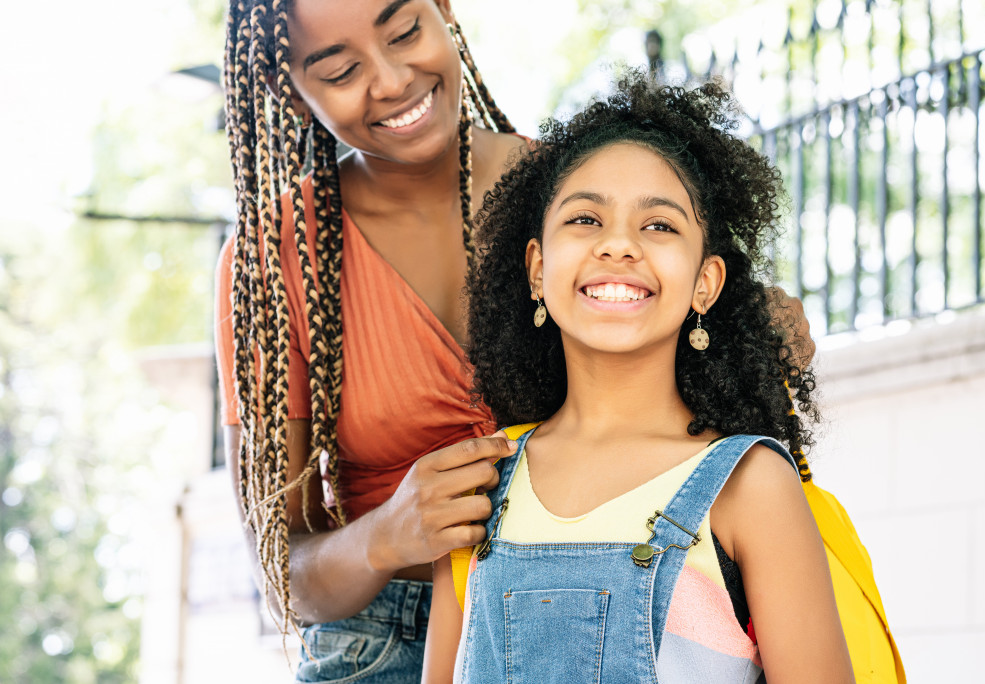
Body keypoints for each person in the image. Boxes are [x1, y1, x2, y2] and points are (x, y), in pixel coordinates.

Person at [215, 1, 815, 681]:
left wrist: (753, 333)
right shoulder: (271, 264)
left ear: (445, 14)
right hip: (374, 647)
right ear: (290, 92)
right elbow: (282, 576)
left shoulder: (580, 199)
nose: (389, 79)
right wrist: (386, 536)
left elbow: (696, 358)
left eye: (405, 31)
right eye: (341, 69)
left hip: (605, 603)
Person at [424, 74, 855, 683]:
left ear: (705, 283)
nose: (620, 244)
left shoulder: (752, 488)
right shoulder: (478, 487)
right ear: (538, 270)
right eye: (585, 219)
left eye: (660, 226)